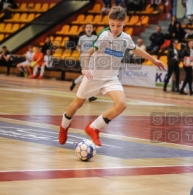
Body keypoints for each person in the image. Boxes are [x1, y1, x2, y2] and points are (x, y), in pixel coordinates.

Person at [58, 6, 165, 147]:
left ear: (124, 23)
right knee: (77, 104)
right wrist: (85, 68)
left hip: (111, 78)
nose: (115, 28)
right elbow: (88, 52)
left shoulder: (126, 38)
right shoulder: (104, 35)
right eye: (112, 25)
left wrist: (153, 60)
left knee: (122, 104)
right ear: (108, 22)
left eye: (119, 26)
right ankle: (64, 126)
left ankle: (93, 127)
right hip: (93, 76)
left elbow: (137, 50)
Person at [70, 23, 98, 102]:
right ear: (85, 29)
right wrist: (79, 50)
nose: (89, 29)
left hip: (92, 58)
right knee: (86, 75)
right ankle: (90, 95)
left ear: (92, 29)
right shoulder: (82, 38)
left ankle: (75, 82)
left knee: (91, 75)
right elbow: (77, 46)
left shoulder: (95, 38)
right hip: (84, 57)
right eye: (87, 27)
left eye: (90, 27)